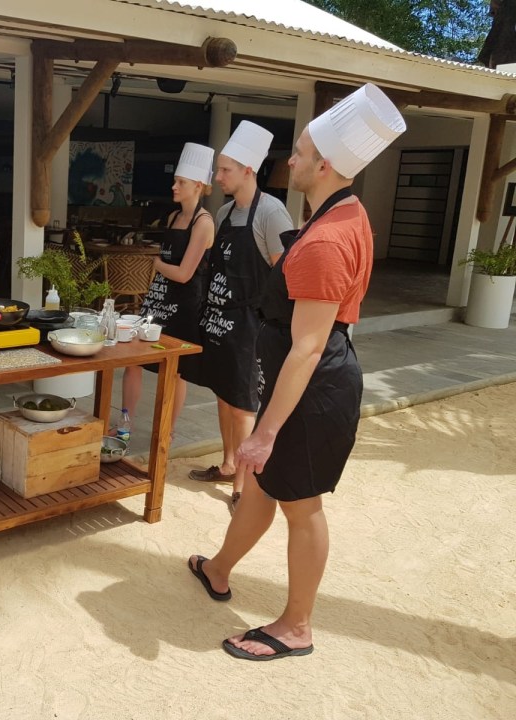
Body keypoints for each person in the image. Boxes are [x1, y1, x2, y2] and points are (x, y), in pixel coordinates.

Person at [188, 84, 406, 661]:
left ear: (325, 165)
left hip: (314, 387)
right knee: (260, 482)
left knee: (301, 505)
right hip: (303, 378)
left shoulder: (325, 240)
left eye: (301, 152)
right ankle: (218, 568)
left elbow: (307, 348)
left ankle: (296, 626)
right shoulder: (348, 211)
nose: (291, 159)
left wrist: (262, 431)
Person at [190, 121, 293, 510]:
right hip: (221, 319)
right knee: (223, 395)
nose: (217, 178)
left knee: (243, 403)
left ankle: (242, 487)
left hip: (251, 324)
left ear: (248, 170)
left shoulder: (272, 213)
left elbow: (285, 275)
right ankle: (228, 463)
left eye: (225, 170)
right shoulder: (225, 213)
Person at [120, 143, 215, 438]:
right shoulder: (174, 218)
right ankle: (124, 424)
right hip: (158, 299)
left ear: (197, 186)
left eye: (181, 182)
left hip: (184, 307)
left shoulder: (204, 223)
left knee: (175, 372)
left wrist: (154, 261)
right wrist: (157, 264)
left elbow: (185, 274)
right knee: (133, 362)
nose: (174, 186)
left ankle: (167, 430)